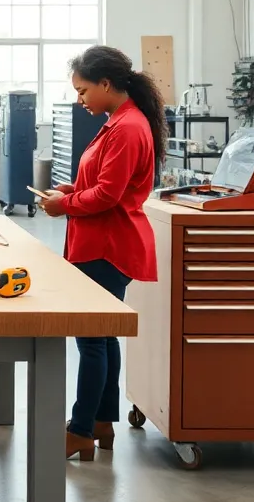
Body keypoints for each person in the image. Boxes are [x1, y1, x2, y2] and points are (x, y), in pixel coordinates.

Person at [38, 45, 165, 462]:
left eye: (83, 90)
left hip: (108, 246)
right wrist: (70, 192)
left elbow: (109, 195)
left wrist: (65, 205)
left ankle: (79, 430)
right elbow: (103, 184)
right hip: (100, 241)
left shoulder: (128, 129)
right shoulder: (118, 122)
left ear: (106, 84)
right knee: (102, 335)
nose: (80, 99)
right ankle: (100, 423)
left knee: (91, 340)